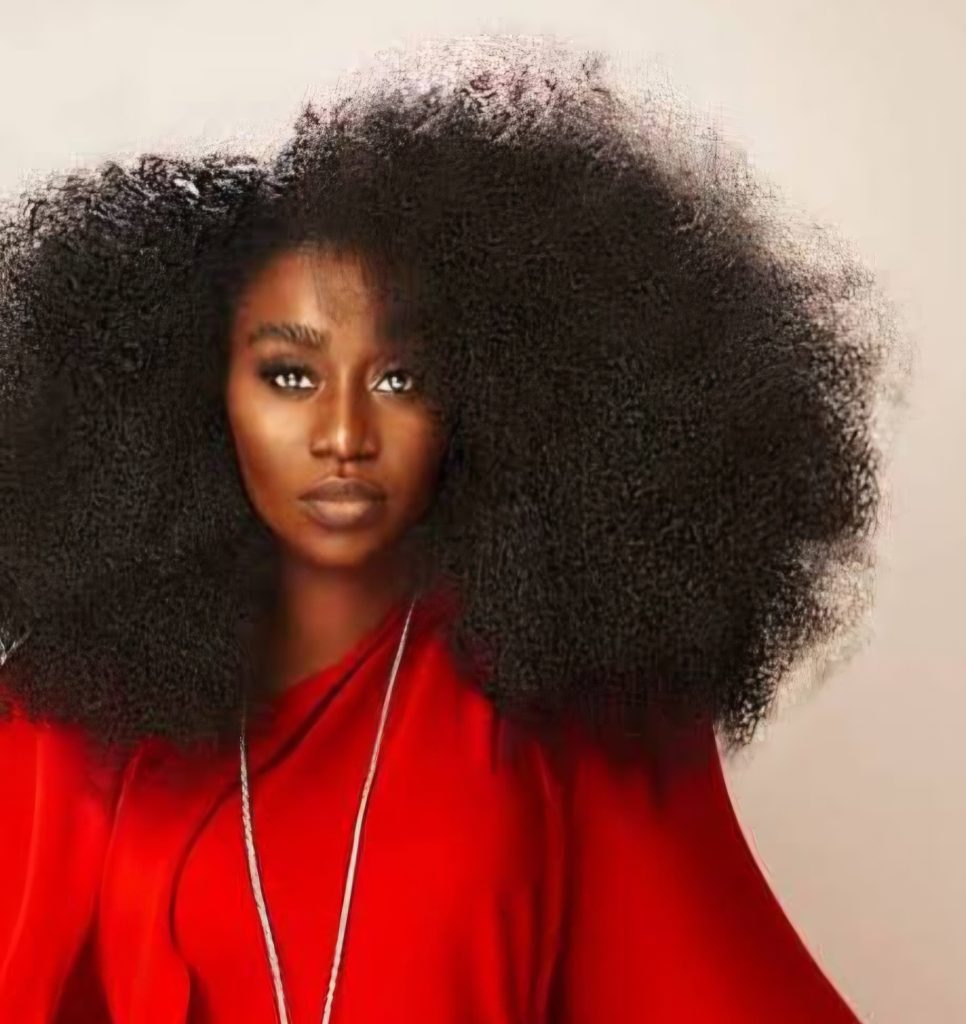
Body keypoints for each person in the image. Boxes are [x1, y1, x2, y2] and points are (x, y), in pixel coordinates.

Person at [0, 39, 905, 1023]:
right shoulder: (76, 699)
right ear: (194, 390)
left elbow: (720, 989)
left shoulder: (562, 687)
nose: (344, 435)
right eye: (289, 375)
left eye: (401, 377)